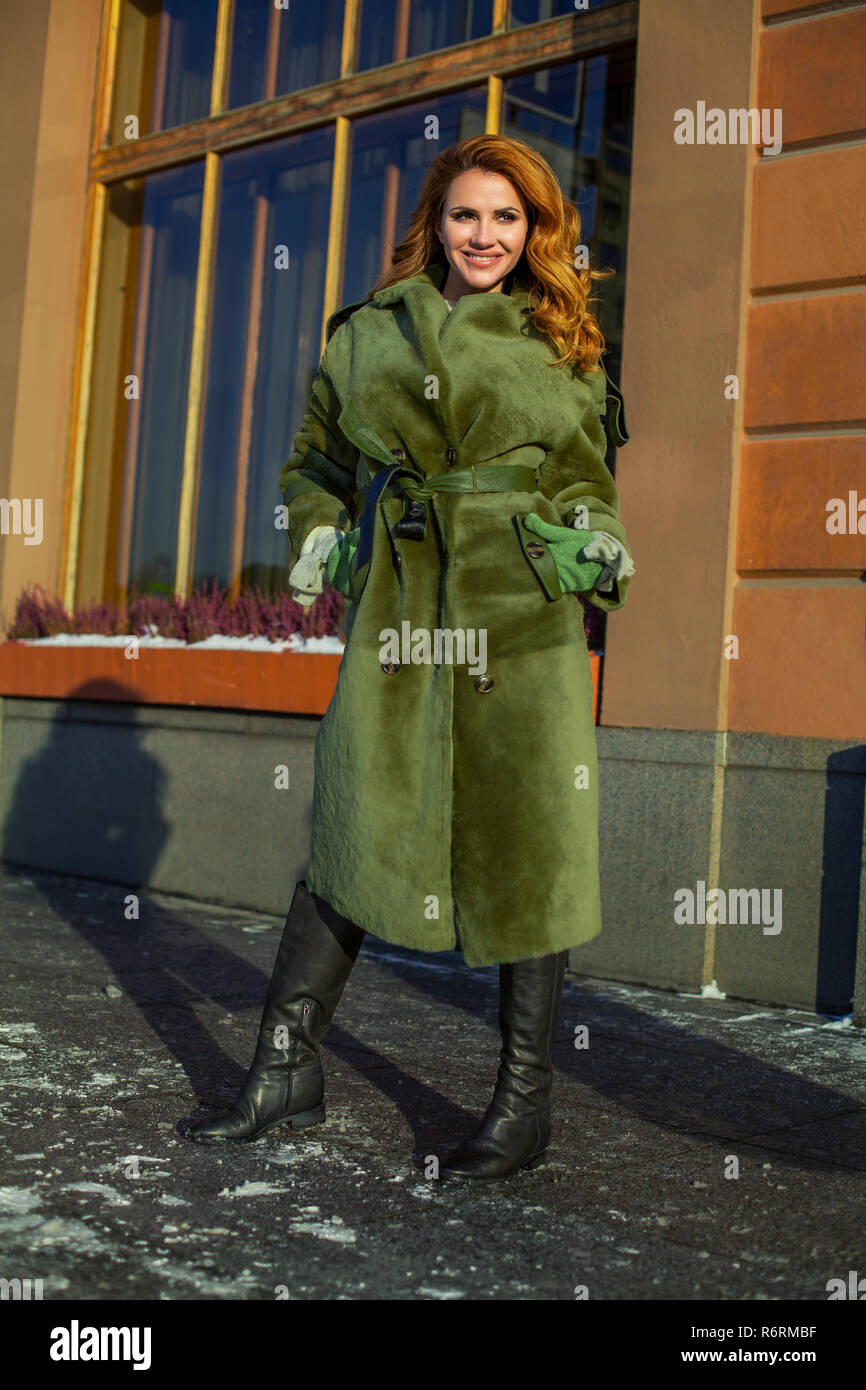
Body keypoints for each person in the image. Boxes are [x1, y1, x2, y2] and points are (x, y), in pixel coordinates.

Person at [185, 134, 634, 1181]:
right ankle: (283, 1069)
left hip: (519, 613)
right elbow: (314, 464)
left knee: (531, 842)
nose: (485, 236)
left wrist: (591, 537)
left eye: (508, 219)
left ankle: (521, 1106)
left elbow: (579, 482)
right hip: (398, 602)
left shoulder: (560, 341)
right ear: (434, 220)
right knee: (356, 817)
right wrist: (315, 532)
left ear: (535, 233)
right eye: (467, 214)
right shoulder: (365, 335)